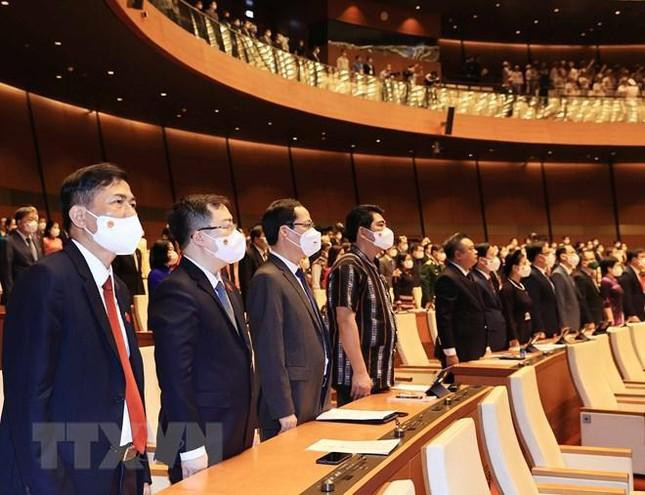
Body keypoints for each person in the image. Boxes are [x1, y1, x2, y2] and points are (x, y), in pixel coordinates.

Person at [0, 163, 151, 494]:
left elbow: (126, 381)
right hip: (71, 473)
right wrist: (50, 486)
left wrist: (140, 470)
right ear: (81, 217)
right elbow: (29, 398)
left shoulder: (117, 287)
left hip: (122, 462)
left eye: (132, 203)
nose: (131, 213)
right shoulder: (47, 280)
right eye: (118, 202)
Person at [149, 194, 256, 483]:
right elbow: (174, 376)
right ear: (199, 237)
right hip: (199, 436)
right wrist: (190, 446)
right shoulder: (176, 290)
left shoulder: (227, 287)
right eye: (225, 226)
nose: (235, 233)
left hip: (235, 428)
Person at [246, 199, 331, 439]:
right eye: (307, 225)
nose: (313, 232)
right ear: (285, 231)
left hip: (313, 395)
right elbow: (269, 350)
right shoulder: (268, 278)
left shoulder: (296, 274)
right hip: (290, 404)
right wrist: (283, 408)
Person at [327, 205, 397, 406]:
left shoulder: (372, 265)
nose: (386, 231)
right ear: (363, 232)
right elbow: (345, 320)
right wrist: (359, 372)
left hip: (377, 370)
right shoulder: (349, 265)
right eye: (380, 225)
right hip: (357, 376)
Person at [433, 233, 487, 367]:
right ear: (458, 255)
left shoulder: (468, 275)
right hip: (460, 348)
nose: (476, 252)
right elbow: (444, 318)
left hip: (474, 345)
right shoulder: (447, 278)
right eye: (471, 248)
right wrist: (450, 353)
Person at [0, 205, 42, 304]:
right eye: (30, 219)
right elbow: (6, 273)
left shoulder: (35, 239)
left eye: (36, 220)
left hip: (38, 289)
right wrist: (11, 298)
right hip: (20, 292)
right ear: (19, 222)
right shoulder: (9, 241)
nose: (34, 223)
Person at [472, 243, 508, 351]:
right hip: (488, 334)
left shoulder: (491, 277)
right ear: (481, 260)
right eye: (492, 255)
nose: (496, 259)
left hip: (499, 331)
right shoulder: (475, 280)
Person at [523, 241, 560, 337]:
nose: (551, 255)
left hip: (552, 324)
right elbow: (534, 304)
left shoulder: (543, 274)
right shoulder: (532, 275)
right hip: (544, 327)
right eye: (547, 253)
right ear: (539, 257)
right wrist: (539, 328)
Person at [499, 249, 534, 345]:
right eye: (524, 263)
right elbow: (508, 315)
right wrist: (513, 338)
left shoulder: (521, 285)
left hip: (526, 331)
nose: (527, 266)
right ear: (515, 268)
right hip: (517, 334)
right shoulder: (507, 288)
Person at [551, 245, 582, 332]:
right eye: (572, 252)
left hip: (574, 320)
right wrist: (564, 325)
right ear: (563, 256)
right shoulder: (558, 274)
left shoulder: (568, 273)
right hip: (568, 323)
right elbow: (560, 302)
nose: (575, 255)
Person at [573, 247, 603, 327]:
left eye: (594, 259)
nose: (594, 261)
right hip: (590, 318)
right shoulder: (579, 277)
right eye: (591, 259)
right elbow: (582, 301)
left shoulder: (589, 275)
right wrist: (588, 320)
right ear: (583, 262)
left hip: (597, 316)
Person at [238, 224, 268, 300]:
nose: (267, 238)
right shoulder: (248, 254)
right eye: (264, 236)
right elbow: (246, 281)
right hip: (257, 297)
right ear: (256, 239)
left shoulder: (266, 253)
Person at [618, 248, 645, 322]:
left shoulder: (638, 272)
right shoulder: (627, 274)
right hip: (635, 314)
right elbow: (626, 297)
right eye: (642, 257)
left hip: (641, 310)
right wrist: (632, 314)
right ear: (634, 260)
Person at [600, 256, 625, 326]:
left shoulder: (615, 280)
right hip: (612, 313)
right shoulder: (605, 281)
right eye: (617, 266)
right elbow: (606, 300)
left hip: (619, 311)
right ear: (609, 268)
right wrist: (610, 318)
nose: (619, 268)